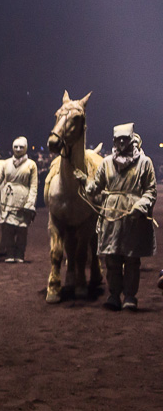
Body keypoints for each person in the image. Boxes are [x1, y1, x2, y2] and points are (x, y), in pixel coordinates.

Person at [79, 123, 156, 311]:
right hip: (111, 217)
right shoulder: (106, 163)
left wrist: (141, 205)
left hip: (133, 219)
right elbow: (95, 187)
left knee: (131, 259)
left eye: (125, 138)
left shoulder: (144, 163)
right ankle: (114, 294)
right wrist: (84, 182)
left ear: (131, 138)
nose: (122, 142)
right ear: (114, 140)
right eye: (118, 139)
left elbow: (150, 191)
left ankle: (130, 296)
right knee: (112, 258)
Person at [0, 136, 38, 262]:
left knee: (22, 229)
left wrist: (30, 202)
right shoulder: (6, 163)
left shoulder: (31, 165)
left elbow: (34, 186)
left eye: (21, 147)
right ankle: (10, 253)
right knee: (7, 228)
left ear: (26, 148)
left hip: (23, 199)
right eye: (16, 147)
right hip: (7, 199)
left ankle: (20, 254)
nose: (18, 149)